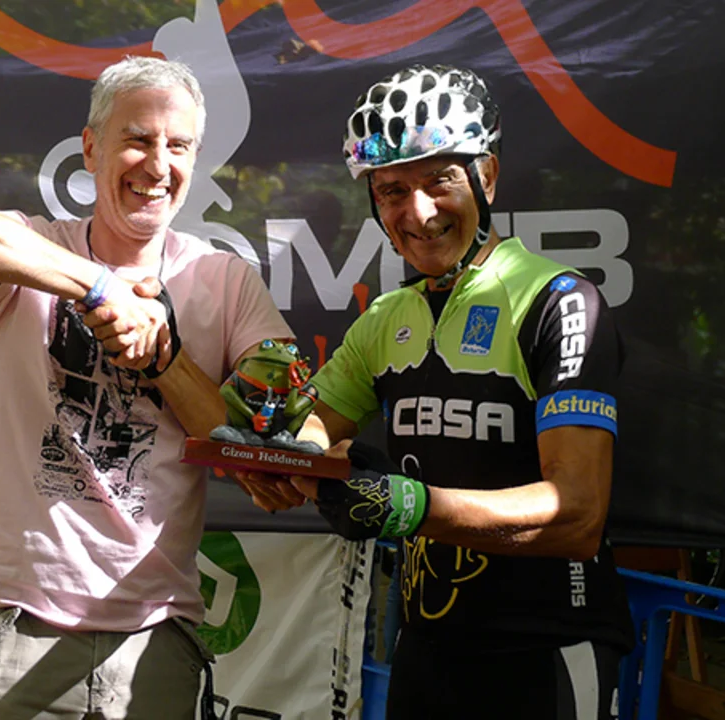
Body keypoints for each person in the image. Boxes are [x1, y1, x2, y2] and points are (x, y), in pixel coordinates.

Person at [0, 56, 292, 719]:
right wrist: (100, 287)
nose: (158, 164)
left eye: (179, 146)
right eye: (138, 139)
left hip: (155, 634)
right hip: (20, 624)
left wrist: (165, 358)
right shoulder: (35, 247)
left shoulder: (226, 280)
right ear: (91, 148)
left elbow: (264, 448)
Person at [258, 64, 634, 718]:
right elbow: (309, 431)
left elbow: (577, 514)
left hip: (546, 646)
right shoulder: (385, 318)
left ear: (486, 176)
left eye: (439, 181)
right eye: (392, 190)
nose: (418, 212)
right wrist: (299, 459)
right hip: (426, 646)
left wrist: (405, 505)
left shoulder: (559, 302)